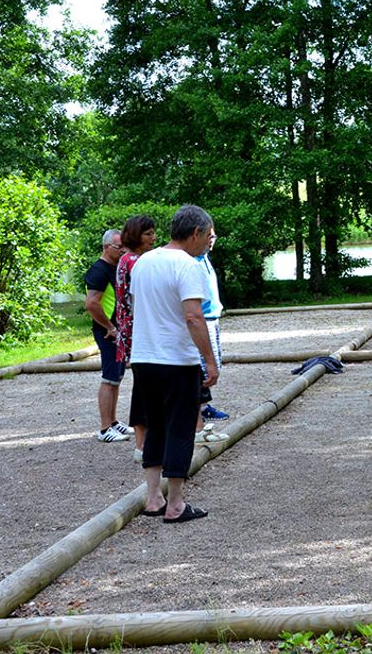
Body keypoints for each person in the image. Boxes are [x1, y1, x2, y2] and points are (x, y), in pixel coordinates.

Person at [130, 205, 219, 523]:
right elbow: (194, 316)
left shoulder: (143, 262)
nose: (208, 241)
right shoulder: (187, 265)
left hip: (143, 358)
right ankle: (176, 504)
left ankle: (153, 496)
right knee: (180, 429)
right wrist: (209, 360)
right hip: (175, 360)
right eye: (207, 235)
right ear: (195, 233)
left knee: (154, 426)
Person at [114, 215, 157, 462]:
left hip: (130, 329)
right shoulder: (134, 262)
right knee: (143, 388)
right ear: (135, 235)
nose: (153, 238)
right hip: (137, 330)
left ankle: (144, 443)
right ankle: (142, 445)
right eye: (148, 234)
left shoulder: (126, 260)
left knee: (143, 386)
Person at [84, 229, 134, 442]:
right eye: (118, 246)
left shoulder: (117, 267)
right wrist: (110, 327)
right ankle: (104, 428)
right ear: (106, 247)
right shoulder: (99, 270)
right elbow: (91, 304)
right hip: (108, 333)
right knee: (109, 378)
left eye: (124, 246)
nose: (123, 250)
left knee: (118, 376)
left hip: (118, 331)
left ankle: (113, 422)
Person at [194, 227, 230, 444]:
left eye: (214, 236)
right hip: (203, 318)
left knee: (214, 363)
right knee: (204, 366)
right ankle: (198, 411)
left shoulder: (205, 257)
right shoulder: (193, 261)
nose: (212, 241)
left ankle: (204, 405)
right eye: (210, 236)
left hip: (212, 317)